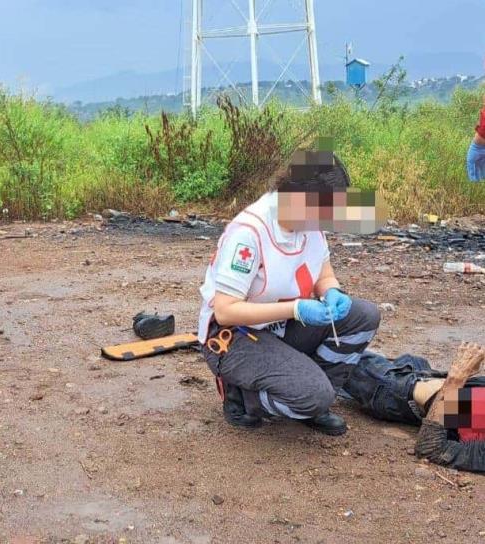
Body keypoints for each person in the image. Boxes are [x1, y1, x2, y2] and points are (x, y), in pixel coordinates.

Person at [197, 146, 384, 436]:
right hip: (234, 336)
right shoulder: (249, 233)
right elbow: (225, 310)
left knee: (363, 316)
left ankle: (309, 398)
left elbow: (324, 273)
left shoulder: (309, 225)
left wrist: (332, 292)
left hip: (281, 328)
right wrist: (296, 308)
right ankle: (245, 398)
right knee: (313, 393)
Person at [342, 346, 485, 473]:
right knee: (411, 359)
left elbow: (430, 449)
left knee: (339, 349)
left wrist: (456, 379)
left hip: (397, 392)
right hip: (424, 374)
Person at [467, 94, 485, 182]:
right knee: (475, 172)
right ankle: (477, 191)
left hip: (477, 147)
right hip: (477, 147)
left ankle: (477, 191)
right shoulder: (483, 113)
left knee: (473, 170)